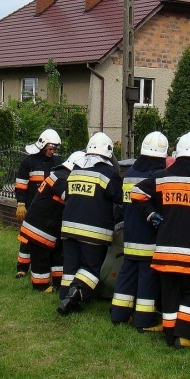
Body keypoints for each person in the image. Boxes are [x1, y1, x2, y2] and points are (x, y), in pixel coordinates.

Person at [130, 131, 190, 348]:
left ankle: (169, 334)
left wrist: (151, 213)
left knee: (169, 292)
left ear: (178, 154)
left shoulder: (162, 177)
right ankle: (183, 335)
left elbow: (136, 193)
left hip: (165, 250)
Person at [57, 132, 124, 315]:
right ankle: (75, 295)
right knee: (92, 268)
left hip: (68, 228)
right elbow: (120, 199)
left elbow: (67, 196)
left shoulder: (76, 170)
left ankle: (65, 296)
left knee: (70, 266)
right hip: (94, 231)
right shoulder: (108, 173)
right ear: (108, 152)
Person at [110, 131, 169, 332]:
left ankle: (118, 315)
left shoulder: (131, 173)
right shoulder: (155, 175)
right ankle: (144, 320)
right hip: (148, 237)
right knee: (147, 280)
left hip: (130, 236)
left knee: (126, 276)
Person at [19, 150, 87, 292]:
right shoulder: (61, 178)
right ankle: (40, 285)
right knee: (40, 257)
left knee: (57, 255)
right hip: (40, 226)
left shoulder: (60, 175)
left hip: (48, 225)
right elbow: (70, 198)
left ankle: (58, 282)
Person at [14, 128, 62, 279]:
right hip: (31, 207)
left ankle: (43, 265)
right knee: (27, 238)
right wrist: (21, 203)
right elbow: (21, 184)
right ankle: (22, 268)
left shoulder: (57, 162)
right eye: (49, 148)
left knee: (46, 238)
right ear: (42, 145)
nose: (52, 151)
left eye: (54, 149)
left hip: (49, 209)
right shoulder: (29, 161)